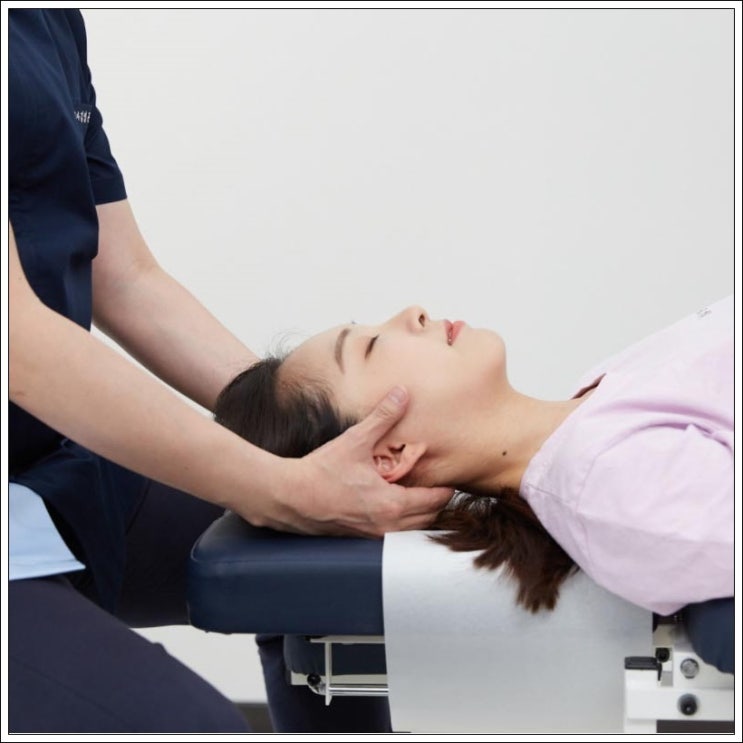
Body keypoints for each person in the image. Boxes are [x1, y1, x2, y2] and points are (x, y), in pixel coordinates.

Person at [8, 9, 451, 733]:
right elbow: (18, 342)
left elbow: (125, 276)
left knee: (334, 561)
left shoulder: (46, 23)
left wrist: (298, 437)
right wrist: (283, 487)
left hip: (44, 460)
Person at [214, 298, 734, 671]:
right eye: (370, 346)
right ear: (391, 452)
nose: (413, 312)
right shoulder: (609, 485)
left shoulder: (597, 402)